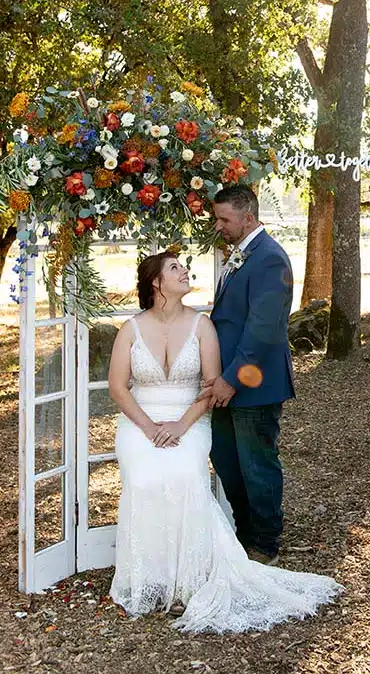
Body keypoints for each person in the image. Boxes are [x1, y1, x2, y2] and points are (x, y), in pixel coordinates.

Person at [108, 251, 341, 632]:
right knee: (144, 477)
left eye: (184, 265)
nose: (185, 271)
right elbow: (118, 388)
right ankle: (150, 576)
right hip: (140, 421)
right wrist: (149, 428)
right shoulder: (130, 329)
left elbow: (212, 386)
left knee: (184, 473)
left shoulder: (203, 326)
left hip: (192, 418)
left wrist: (182, 425)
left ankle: (192, 576)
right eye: (174, 268)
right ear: (156, 282)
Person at [209, 184, 294, 565]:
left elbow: (263, 329)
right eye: (217, 218)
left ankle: (265, 543)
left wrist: (231, 379)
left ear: (248, 216)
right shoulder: (242, 254)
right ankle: (244, 536)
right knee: (226, 460)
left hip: (253, 385)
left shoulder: (270, 258)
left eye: (224, 219)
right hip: (226, 382)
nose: (219, 225)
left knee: (257, 464)